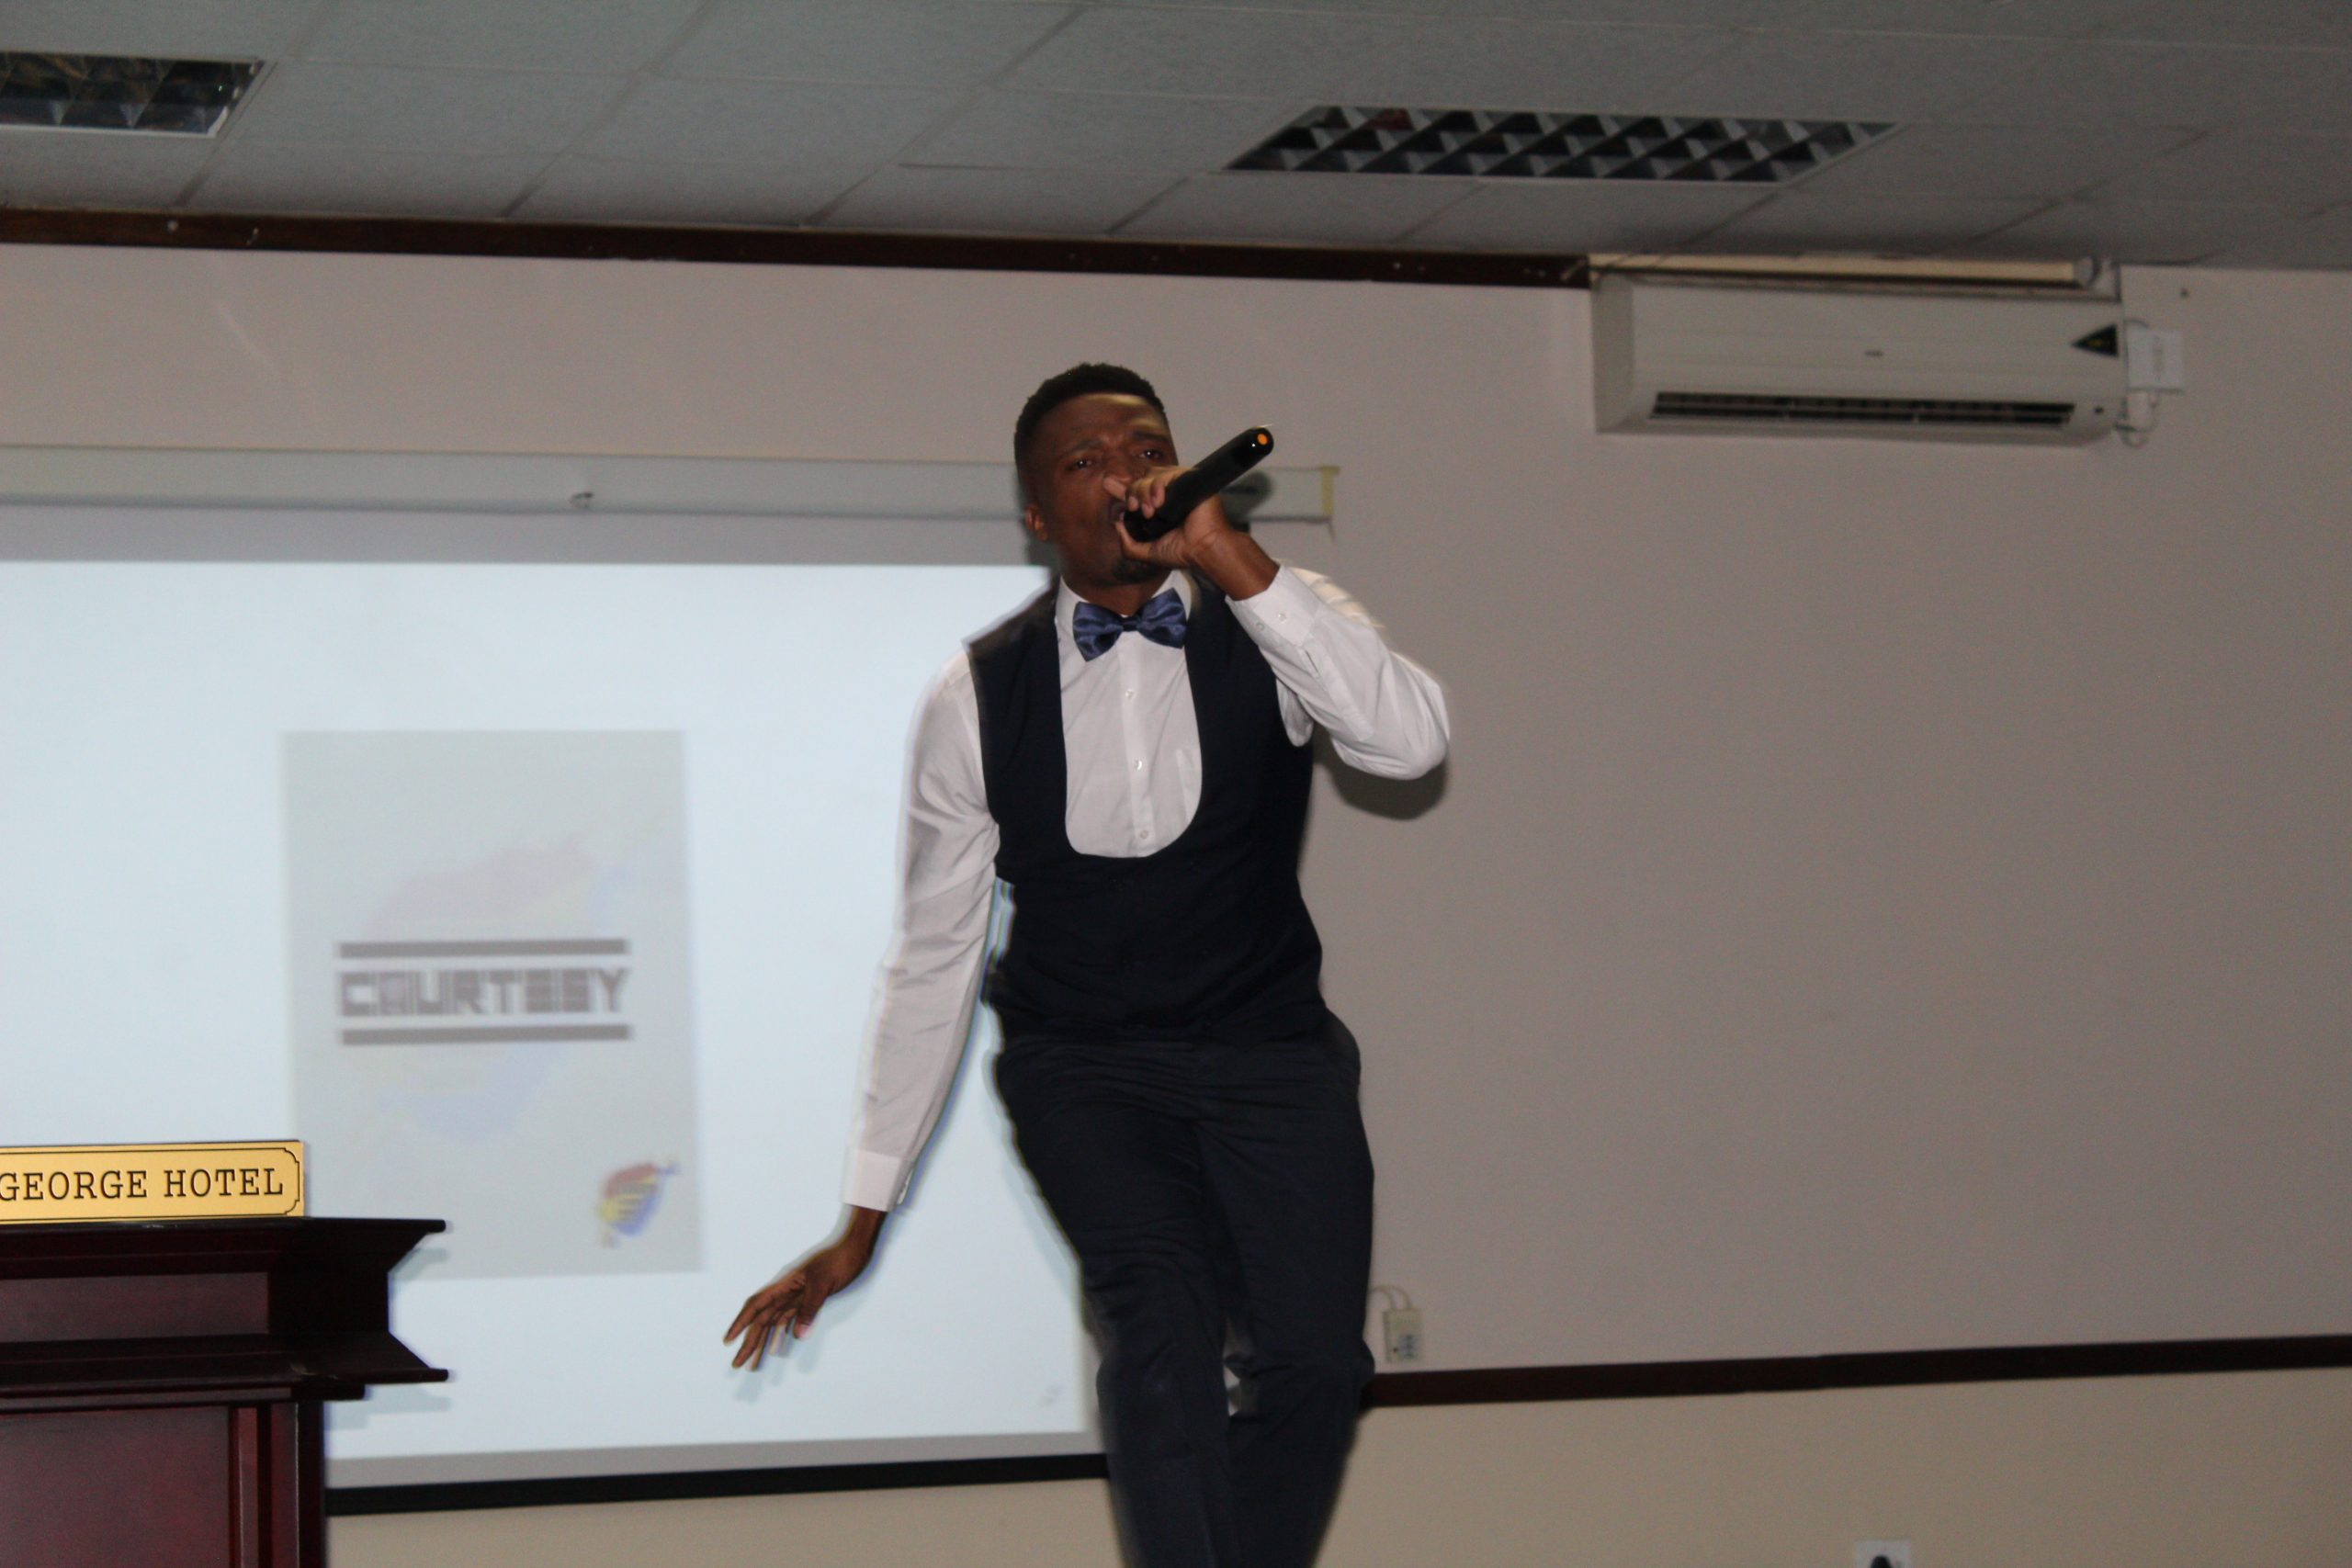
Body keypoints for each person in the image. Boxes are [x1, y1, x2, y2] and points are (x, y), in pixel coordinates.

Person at [726, 363, 1449, 1568]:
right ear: (1036, 515)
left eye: (1146, 448)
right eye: (1087, 461)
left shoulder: (1278, 612)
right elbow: (934, 958)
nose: (1126, 475)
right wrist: (863, 1216)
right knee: (1159, 1332)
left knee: (1319, 1366)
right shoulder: (975, 695)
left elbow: (1411, 746)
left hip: (1272, 1056)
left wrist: (1229, 559)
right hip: (1086, 1067)